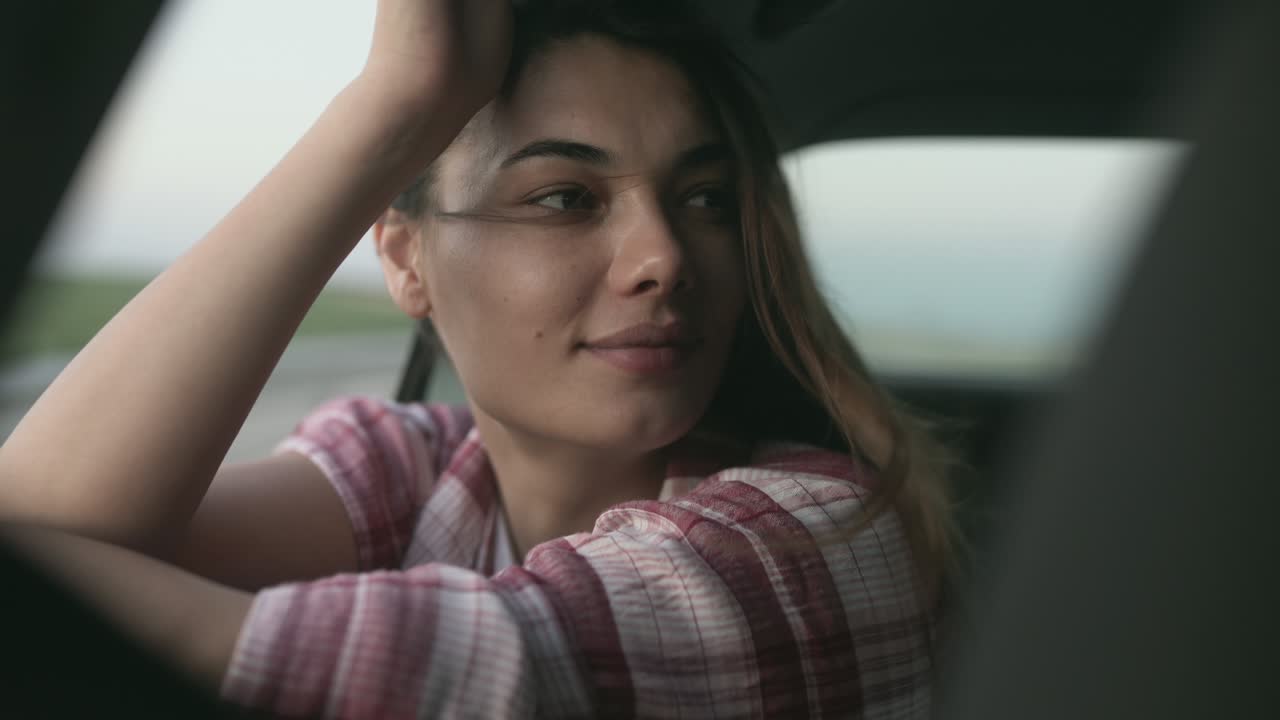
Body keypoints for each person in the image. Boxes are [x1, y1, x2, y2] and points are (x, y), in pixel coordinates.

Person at [0, 0, 954, 716]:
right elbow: (45, 526)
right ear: (406, 261)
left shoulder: (820, 533)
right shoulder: (415, 471)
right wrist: (398, 100)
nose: (664, 257)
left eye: (703, 198)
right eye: (564, 198)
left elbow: (455, 669)